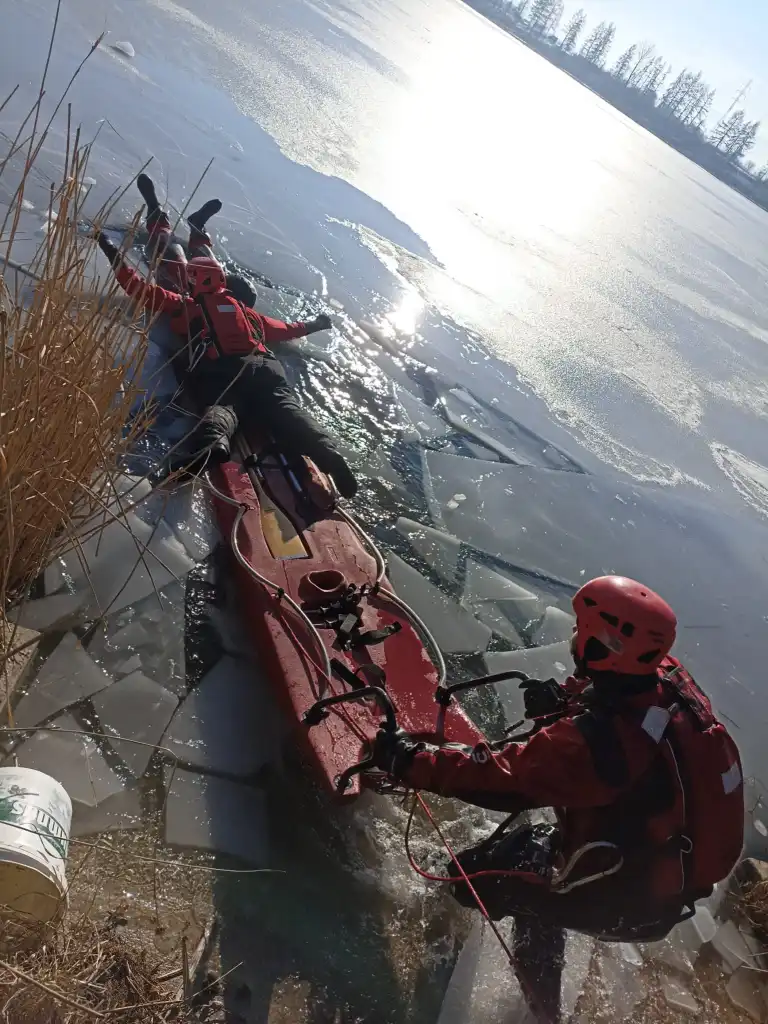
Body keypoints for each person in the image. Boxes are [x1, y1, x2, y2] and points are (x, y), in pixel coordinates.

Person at [372, 575, 744, 942]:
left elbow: (503, 780)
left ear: (602, 647)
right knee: (530, 863)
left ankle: (439, 938)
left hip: (621, 903)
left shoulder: (598, 745)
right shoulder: (663, 677)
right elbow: (614, 694)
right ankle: (540, 937)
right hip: (653, 888)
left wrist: (407, 760)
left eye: (583, 632)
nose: (575, 639)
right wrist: (565, 701)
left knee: (470, 874)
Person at [95, 174, 358, 497]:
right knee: (287, 410)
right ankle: (326, 451)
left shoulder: (186, 304)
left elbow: (138, 287)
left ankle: (212, 446)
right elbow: (285, 329)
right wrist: (315, 325)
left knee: (222, 413)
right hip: (265, 369)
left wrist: (110, 250)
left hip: (225, 373)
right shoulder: (246, 314)